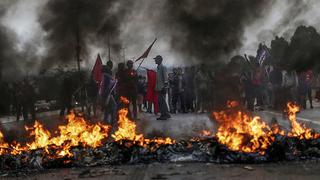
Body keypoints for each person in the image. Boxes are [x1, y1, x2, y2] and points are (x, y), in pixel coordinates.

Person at [154, 55, 170, 120]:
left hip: (162, 88)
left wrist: (164, 87)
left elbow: (165, 78)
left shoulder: (163, 67)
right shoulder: (158, 68)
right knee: (161, 102)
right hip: (159, 88)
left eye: (156, 59)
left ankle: (164, 115)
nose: (155, 60)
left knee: (162, 102)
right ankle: (165, 114)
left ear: (160, 60)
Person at [102, 60, 117, 125]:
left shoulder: (104, 74)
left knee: (107, 108)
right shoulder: (107, 74)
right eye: (111, 64)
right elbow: (108, 85)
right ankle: (112, 121)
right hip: (107, 94)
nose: (112, 66)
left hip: (106, 93)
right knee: (114, 106)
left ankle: (106, 120)